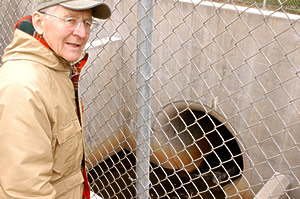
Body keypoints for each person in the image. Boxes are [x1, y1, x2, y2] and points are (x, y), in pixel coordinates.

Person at [0, 0, 111, 198]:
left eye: (87, 23)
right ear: (39, 22)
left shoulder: (56, 68)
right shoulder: (24, 88)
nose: (82, 33)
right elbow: (25, 192)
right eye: (70, 20)